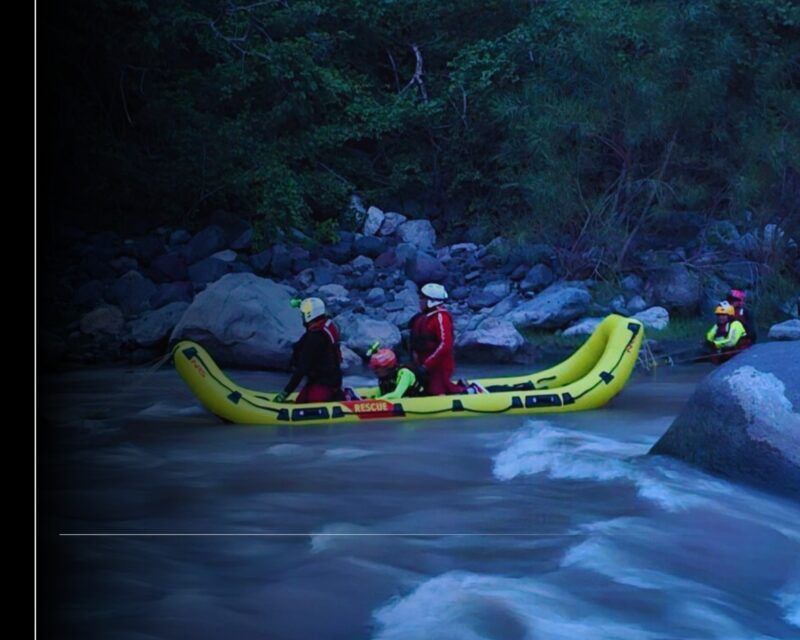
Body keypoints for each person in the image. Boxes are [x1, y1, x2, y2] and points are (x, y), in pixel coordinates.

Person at [274, 297, 343, 403]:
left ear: (310, 314)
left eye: (303, 314)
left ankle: (339, 397)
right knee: (301, 400)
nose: (301, 316)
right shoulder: (322, 328)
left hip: (325, 383)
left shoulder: (315, 338)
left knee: (308, 400)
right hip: (327, 380)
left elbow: (302, 368)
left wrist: (285, 393)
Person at [408, 283, 466, 395]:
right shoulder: (424, 317)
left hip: (438, 365)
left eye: (422, 298)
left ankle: (463, 390)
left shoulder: (440, 317)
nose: (420, 301)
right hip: (423, 364)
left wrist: (427, 365)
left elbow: (445, 345)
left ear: (431, 300)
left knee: (437, 391)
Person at [704, 300, 748, 365]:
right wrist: (708, 342)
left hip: (738, 354)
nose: (720, 318)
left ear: (729, 316)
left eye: (723, 315)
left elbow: (731, 342)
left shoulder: (736, 324)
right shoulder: (717, 326)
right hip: (723, 352)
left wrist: (715, 344)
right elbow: (709, 336)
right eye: (719, 315)